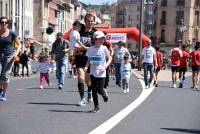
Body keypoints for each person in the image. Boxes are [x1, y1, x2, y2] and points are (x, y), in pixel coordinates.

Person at [85, 31, 112, 113]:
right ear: (94, 39)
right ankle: (96, 106)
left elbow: (109, 58)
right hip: (93, 72)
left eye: (102, 38)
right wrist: (86, 66)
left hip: (102, 73)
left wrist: (105, 66)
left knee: (99, 90)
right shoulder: (90, 49)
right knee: (93, 89)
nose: (101, 40)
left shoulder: (104, 48)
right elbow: (89, 59)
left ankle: (104, 94)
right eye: (99, 39)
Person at [75, 12, 97, 106]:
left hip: (90, 59)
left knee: (88, 80)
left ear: (94, 22)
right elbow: (75, 44)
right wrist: (80, 48)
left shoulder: (95, 33)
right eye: (88, 20)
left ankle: (89, 92)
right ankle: (82, 99)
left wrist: (85, 48)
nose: (90, 22)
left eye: (92, 21)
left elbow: (97, 46)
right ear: (85, 21)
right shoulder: (79, 31)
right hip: (80, 57)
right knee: (81, 77)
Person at [0, 17, 21, 101]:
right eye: (2, 22)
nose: (4, 24)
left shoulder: (11, 33)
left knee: (5, 75)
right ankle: (1, 90)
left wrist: (16, 53)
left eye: (5, 22)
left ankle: (4, 94)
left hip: (9, 56)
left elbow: (19, 44)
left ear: (7, 24)